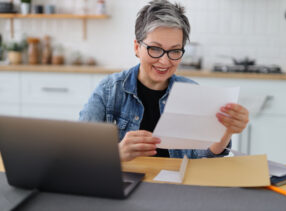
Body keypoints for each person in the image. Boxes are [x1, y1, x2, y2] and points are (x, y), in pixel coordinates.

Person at [79, 0, 249, 162]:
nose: (165, 61)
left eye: (174, 51)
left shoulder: (192, 92)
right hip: (125, 185)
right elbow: (79, 150)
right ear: (137, 48)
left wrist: (226, 131)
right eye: (155, 48)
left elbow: (204, 156)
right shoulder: (109, 90)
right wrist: (115, 153)